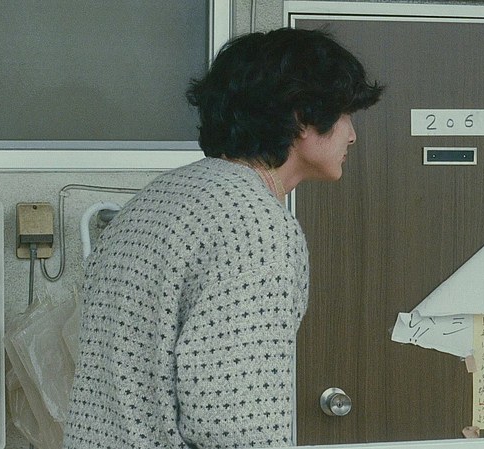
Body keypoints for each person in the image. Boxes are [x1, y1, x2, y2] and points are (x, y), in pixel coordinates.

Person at [63, 28, 382, 448]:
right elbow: (233, 422)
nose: (352, 135)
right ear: (302, 118)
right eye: (344, 115)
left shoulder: (157, 198)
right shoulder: (255, 224)